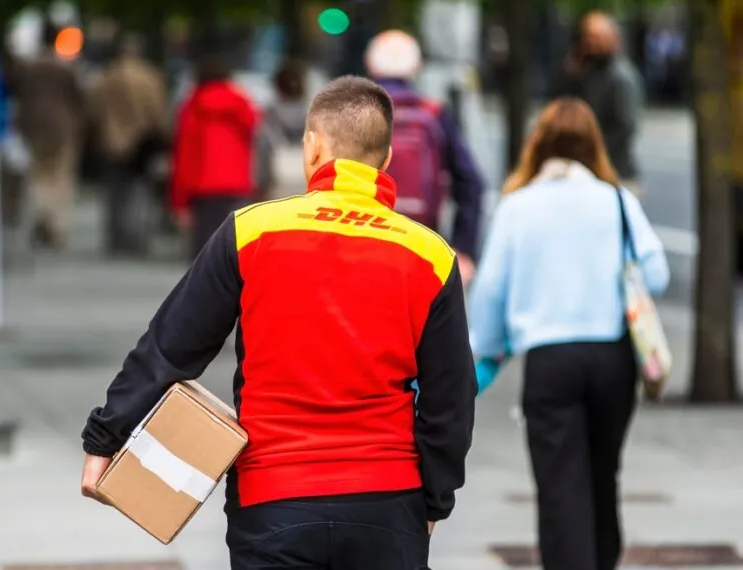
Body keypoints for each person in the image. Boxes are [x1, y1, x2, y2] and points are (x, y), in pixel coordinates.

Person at [81, 76, 477, 569]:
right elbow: (451, 399)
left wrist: (105, 439)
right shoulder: (429, 254)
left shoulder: (251, 231)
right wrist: (435, 498)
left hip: (273, 498)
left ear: (312, 149)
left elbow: (170, 347)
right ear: (388, 158)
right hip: (387, 502)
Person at [468, 98, 669, 570]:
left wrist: (488, 351)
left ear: (537, 145)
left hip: (550, 360)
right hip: (612, 357)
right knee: (604, 475)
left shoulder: (518, 205)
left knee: (560, 487)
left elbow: (492, 289)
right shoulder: (616, 199)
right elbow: (655, 274)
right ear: (594, 145)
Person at [365, 30, 486, 285]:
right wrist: (463, 248)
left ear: (370, 64)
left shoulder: (355, 112)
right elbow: (470, 182)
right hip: (422, 240)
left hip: (364, 238)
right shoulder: (434, 113)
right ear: (416, 67)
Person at [169, 56, 259, 260]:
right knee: (236, 250)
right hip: (237, 185)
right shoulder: (242, 105)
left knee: (204, 255)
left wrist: (179, 202)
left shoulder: (193, 107)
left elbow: (185, 157)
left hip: (203, 188)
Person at [87, 33, 169, 256]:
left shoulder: (105, 77)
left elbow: (93, 111)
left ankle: (116, 238)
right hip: (141, 142)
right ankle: (136, 238)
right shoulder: (150, 77)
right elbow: (158, 111)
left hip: (111, 142)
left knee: (114, 192)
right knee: (140, 192)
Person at [551, 11, 644, 196]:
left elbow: (625, 126)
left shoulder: (621, 77)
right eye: (587, 37)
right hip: (588, 173)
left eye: (597, 37)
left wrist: (592, 152)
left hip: (615, 174)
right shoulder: (585, 73)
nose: (591, 43)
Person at [13, 22, 85, 250]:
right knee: (60, 177)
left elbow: (20, 98)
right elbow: (79, 100)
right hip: (63, 128)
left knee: (38, 176)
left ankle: (42, 216)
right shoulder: (65, 68)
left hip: (34, 128)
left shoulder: (28, 68)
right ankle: (54, 225)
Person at [255, 57, 309, 200]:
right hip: (307, 185)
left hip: (276, 188)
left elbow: (263, 149)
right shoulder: (313, 112)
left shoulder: (270, 113)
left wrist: (260, 187)